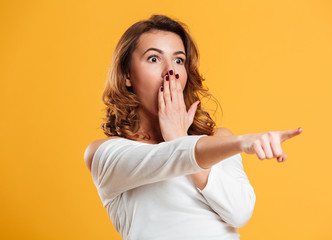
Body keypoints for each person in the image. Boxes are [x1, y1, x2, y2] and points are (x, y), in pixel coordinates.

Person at [84, 14, 303, 240]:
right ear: (127, 74)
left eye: (179, 60)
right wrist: (240, 143)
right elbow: (164, 158)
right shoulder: (105, 154)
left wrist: (178, 136)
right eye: (153, 59)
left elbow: (240, 213)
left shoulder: (219, 139)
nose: (170, 71)